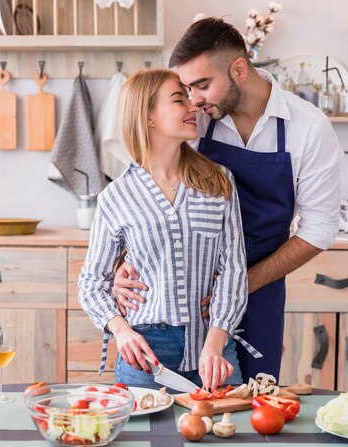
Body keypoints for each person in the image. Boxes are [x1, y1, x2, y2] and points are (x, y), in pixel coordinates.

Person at [112, 18, 342, 380]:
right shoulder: (197, 121)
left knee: (250, 403)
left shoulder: (308, 128)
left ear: (239, 69)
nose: (194, 99)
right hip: (184, 290)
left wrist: (240, 284)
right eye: (187, 89)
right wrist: (123, 262)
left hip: (261, 285)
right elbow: (147, 190)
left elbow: (320, 228)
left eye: (202, 85)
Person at [78, 68, 250, 391]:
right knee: (144, 442)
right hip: (145, 355)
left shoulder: (218, 182)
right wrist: (121, 330)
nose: (193, 106)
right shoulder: (116, 197)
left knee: (229, 438)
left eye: (189, 97)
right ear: (148, 118)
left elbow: (234, 270)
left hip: (214, 347)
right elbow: (91, 283)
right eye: (178, 99)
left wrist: (215, 342)